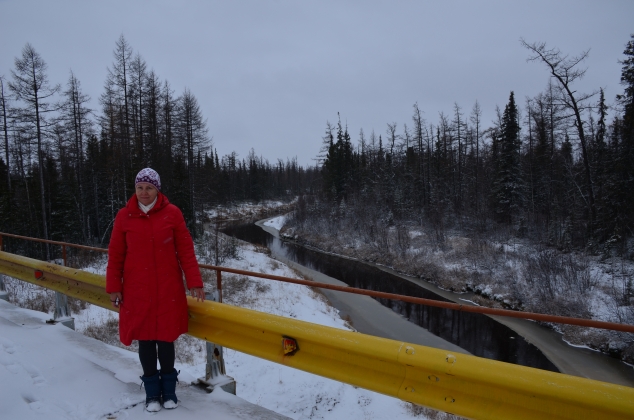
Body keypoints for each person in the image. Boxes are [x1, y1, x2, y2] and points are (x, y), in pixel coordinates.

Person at [106, 168, 205, 412]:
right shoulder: (124, 216)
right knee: (146, 340)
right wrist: (114, 287)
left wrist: (194, 282)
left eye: (149, 187)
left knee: (166, 338)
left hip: (167, 288)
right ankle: (152, 394)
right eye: (140, 187)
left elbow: (185, 250)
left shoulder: (172, 214)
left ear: (157, 189)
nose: (144, 192)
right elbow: (116, 254)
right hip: (136, 289)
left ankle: (169, 392)